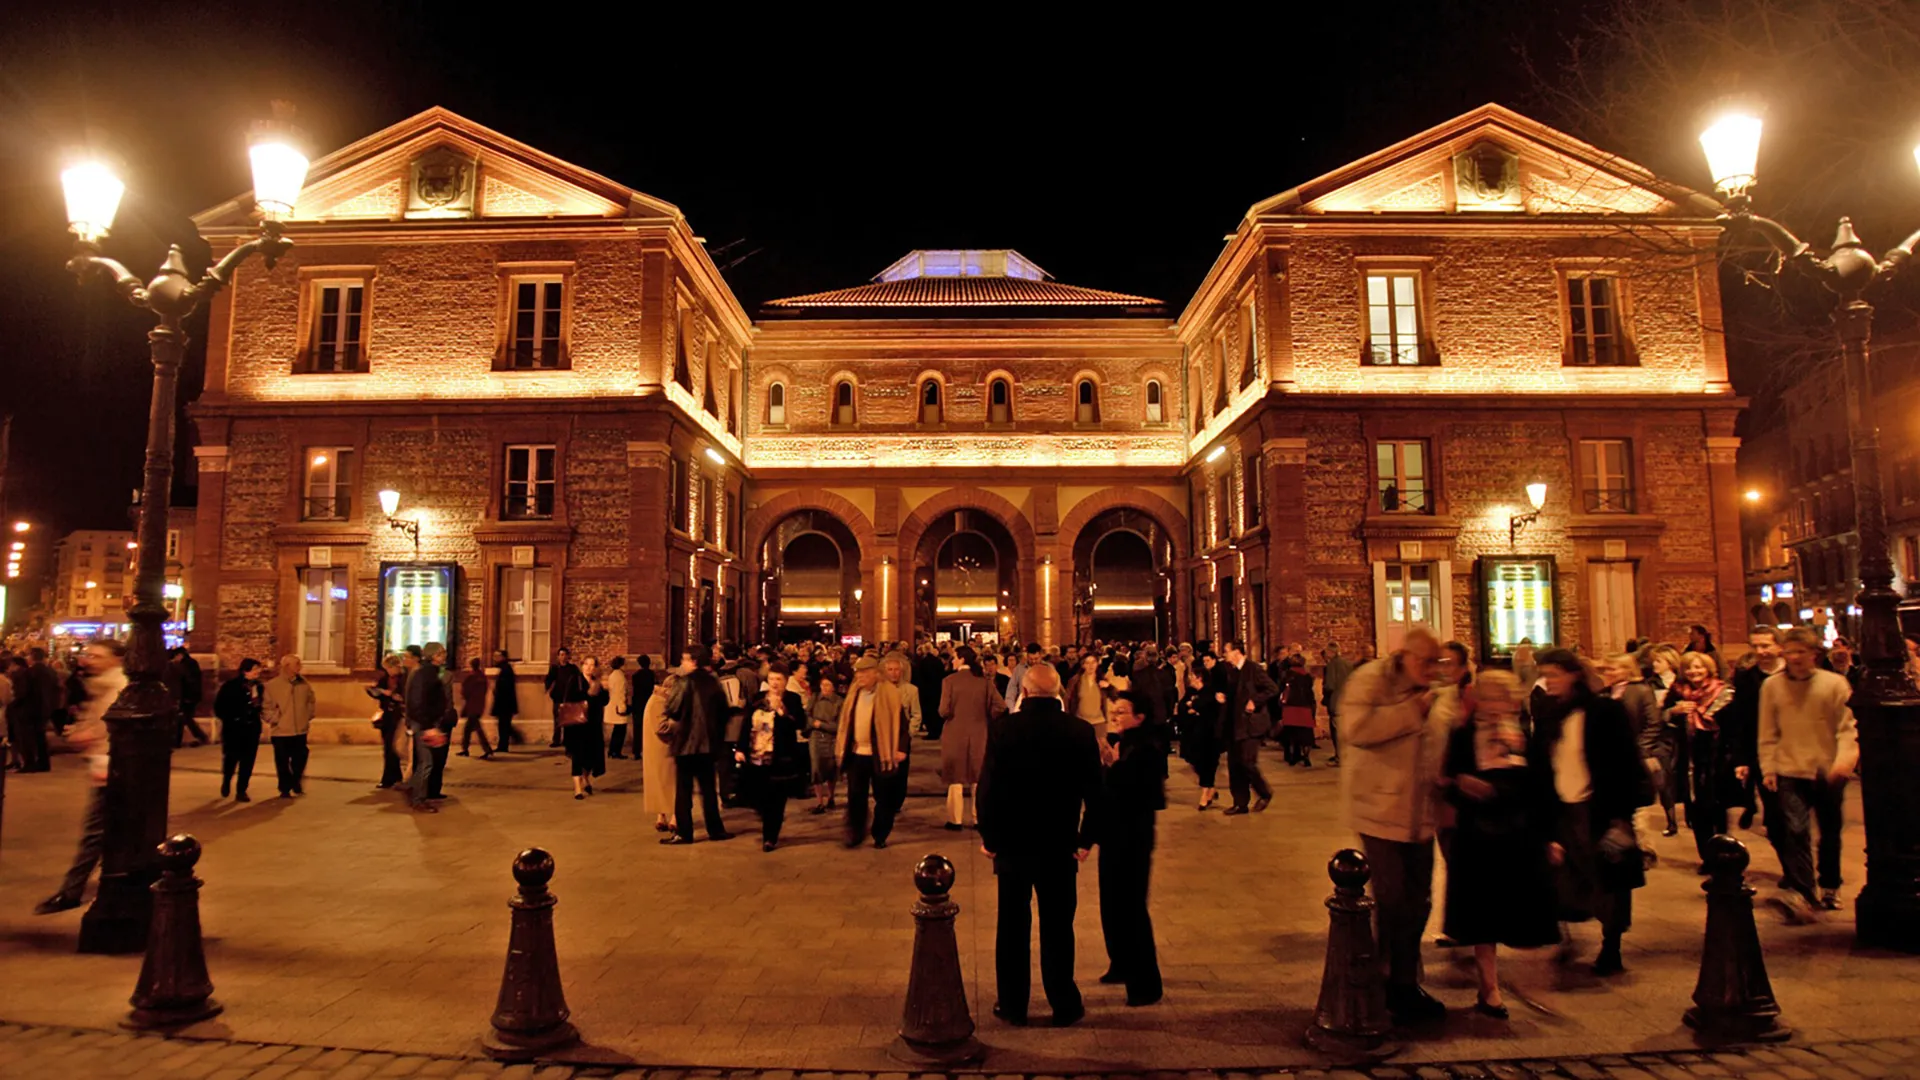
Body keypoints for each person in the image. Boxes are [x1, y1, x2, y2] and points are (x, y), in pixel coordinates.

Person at [977, 661, 1101, 1027]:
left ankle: (1013, 1003)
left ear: (1025, 693)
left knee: (1013, 925)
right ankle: (1063, 1001)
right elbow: (1096, 790)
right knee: (1059, 925)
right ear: (1060, 693)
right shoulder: (1079, 731)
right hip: (1059, 843)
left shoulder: (1004, 729)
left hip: (1014, 843)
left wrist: (990, 836)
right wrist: (1086, 838)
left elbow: (989, 788)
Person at [1337, 627, 1449, 1022]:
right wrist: (1409, 714)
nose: (1432, 669)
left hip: (1420, 814)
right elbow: (1355, 730)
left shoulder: (1436, 692)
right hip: (1379, 812)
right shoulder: (1370, 680)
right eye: (1426, 662)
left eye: (1438, 662)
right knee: (1392, 898)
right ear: (1404, 655)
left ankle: (1404, 980)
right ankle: (1384, 980)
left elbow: (1438, 742)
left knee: (1419, 901)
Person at [1436, 670, 1557, 1018]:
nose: (1492, 706)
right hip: (1478, 834)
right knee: (1482, 916)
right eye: (1486, 698)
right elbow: (1449, 778)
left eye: (1500, 698)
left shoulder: (1526, 736)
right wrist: (1464, 787)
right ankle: (1489, 989)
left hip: (1520, 832)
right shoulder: (1464, 735)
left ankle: (1527, 982)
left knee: (1522, 912)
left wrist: (1551, 835)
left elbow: (1542, 787)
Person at [1529, 649, 1651, 976]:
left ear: (1574, 675)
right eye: (1545, 674)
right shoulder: (1549, 716)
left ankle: (1611, 946)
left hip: (1599, 809)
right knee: (1564, 876)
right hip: (1563, 810)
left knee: (1609, 880)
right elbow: (1542, 767)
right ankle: (1564, 938)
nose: (1549, 681)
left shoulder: (1605, 711)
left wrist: (1622, 816)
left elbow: (1624, 763)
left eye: (1554, 674)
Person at [1758, 627, 1859, 921]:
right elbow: (1767, 731)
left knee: (1829, 831)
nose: (1795, 658)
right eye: (1789, 652)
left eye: (1801, 652)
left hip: (1826, 769)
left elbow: (1847, 727)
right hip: (1790, 767)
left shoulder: (1834, 685)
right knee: (1795, 830)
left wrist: (1844, 762)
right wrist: (1769, 767)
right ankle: (1803, 891)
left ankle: (1830, 884)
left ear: (1814, 654)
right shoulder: (1773, 687)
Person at [33, 641, 128, 914]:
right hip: (105, 766)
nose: (89, 660)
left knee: (95, 834)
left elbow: (110, 729)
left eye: (97, 656)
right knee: (110, 833)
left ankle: (72, 891)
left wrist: (82, 736)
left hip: (109, 769)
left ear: (115, 659)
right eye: (88, 655)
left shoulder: (116, 689)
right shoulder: (102, 687)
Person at [1090, 690, 1166, 1008]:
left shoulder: (1148, 747)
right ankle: (1119, 963)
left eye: (1122, 711)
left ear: (1140, 717)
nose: (1115, 715)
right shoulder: (1120, 742)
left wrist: (1114, 767)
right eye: (1114, 710)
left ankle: (1146, 983)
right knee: (1112, 904)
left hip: (1132, 838)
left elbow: (1146, 795)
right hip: (1113, 835)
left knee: (1132, 908)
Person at [1665, 649, 1739, 866]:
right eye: (1689, 667)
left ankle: (1723, 854)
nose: (1694, 671)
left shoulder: (1723, 692)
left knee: (1718, 807)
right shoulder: (1677, 692)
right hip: (1689, 757)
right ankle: (1706, 856)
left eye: (1698, 667)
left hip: (1717, 756)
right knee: (1695, 808)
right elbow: (1662, 717)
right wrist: (1674, 712)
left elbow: (1733, 726)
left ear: (1708, 669)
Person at [660, 649, 732, 845]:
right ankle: (715, 830)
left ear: (692, 661)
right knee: (708, 789)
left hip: (686, 744)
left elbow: (672, 709)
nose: (682, 663)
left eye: (684, 659)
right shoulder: (713, 682)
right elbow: (724, 712)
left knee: (683, 790)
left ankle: (684, 832)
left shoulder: (683, 682)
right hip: (708, 745)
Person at [837, 655, 909, 848]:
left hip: (881, 754)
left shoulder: (890, 694)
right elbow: (846, 723)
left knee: (884, 797)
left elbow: (902, 725)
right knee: (855, 796)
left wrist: (901, 749)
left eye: (863, 673)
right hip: (857, 753)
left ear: (875, 674)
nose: (859, 677)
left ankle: (880, 834)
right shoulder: (853, 694)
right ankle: (855, 832)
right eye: (858, 673)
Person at [735, 662, 808, 851]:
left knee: (776, 797)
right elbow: (746, 724)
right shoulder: (758, 698)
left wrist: (782, 711)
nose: (774, 683)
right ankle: (766, 815)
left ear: (785, 681)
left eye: (778, 679)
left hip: (780, 757)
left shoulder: (792, 699)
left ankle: (770, 836)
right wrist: (741, 748)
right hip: (756, 755)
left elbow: (800, 723)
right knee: (756, 794)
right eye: (771, 679)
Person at [938, 645, 1006, 830]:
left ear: (961, 659)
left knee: (956, 778)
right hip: (979, 731)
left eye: (954, 657)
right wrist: (986, 716)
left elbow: (943, 710)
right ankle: (979, 818)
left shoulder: (949, 681)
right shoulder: (983, 682)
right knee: (978, 777)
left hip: (955, 733)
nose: (952, 660)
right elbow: (1000, 706)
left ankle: (955, 819)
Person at [1725, 626, 1783, 830]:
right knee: (1774, 809)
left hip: (1793, 749)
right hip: (1760, 749)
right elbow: (1740, 719)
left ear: (1779, 646)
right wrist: (1741, 759)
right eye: (1755, 646)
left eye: (1765, 646)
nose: (1760, 651)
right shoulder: (1747, 678)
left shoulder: (1792, 674)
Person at [1221, 640, 1278, 816]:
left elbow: (1272, 688)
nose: (1225, 655)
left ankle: (1265, 792)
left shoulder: (1253, 669)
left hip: (1251, 725)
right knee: (1235, 765)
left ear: (1237, 652)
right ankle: (1240, 803)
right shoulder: (1231, 672)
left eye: (1227, 651)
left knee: (1247, 762)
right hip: (1235, 724)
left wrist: (1256, 701)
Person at [1639, 644, 1685, 836]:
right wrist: (1669, 711)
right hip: (1662, 736)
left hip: (1683, 734)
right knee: (1664, 778)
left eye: (1659, 660)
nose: (1654, 664)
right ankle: (1671, 820)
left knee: (1681, 776)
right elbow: (1652, 713)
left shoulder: (1683, 682)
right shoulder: (1650, 684)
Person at [401, 646, 447, 812]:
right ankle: (418, 798)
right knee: (426, 763)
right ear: (434, 656)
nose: (444, 657)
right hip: (423, 723)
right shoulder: (426, 673)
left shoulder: (430, 672)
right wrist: (428, 726)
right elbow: (418, 701)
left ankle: (413, 790)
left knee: (425, 761)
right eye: (442, 654)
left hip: (426, 722)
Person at [262, 655, 315, 799]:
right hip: (281, 731)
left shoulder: (304, 684)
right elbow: (266, 706)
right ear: (286, 666)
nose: (300, 667)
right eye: (296, 664)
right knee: (282, 761)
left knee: (301, 757)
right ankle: (284, 788)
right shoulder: (272, 685)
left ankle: (295, 780)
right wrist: (275, 719)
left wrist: (308, 715)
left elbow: (311, 701)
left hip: (300, 729)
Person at [1177, 658, 1227, 810]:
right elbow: (1182, 707)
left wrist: (1194, 706)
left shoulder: (1210, 691)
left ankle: (1205, 793)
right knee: (1195, 761)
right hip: (1192, 734)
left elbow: (1208, 708)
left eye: (1192, 676)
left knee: (1208, 764)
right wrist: (1191, 708)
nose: (1189, 679)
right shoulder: (1191, 692)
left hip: (1208, 735)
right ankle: (1211, 789)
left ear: (1199, 678)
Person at [215, 657, 266, 801]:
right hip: (234, 729)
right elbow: (220, 707)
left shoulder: (259, 686)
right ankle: (226, 781)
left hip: (252, 729)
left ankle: (241, 790)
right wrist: (232, 718)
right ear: (246, 670)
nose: (258, 672)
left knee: (248, 761)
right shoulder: (231, 686)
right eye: (255, 669)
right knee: (231, 758)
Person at [641, 674, 679, 833]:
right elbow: (661, 727)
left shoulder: (657, 699)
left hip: (657, 749)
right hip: (663, 749)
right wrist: (680, 724)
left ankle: (661, 816)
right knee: (671, 784)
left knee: (660, 784)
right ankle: (674, 817)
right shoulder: (659, 701)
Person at [807, 670, 843, 815]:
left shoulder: (839, 702)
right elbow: (807, 716)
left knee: (830, 769)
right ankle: (819, 801)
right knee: (816, 769)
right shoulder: (815, 698)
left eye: (828, 685)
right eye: (823, 685)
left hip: (831, 739)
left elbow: (839, 725)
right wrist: (814, 724)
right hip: (816, 738)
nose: (825, 688)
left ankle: (831, 797)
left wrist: (820, 724)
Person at [370, 654, 407, 788]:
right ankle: (392, 777)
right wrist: (377, 691)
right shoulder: (384, 679)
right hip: (386, 715)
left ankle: (391, 778)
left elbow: (406, 696)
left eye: (389, 668)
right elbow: (377, 691)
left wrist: (395, 696)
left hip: (398, 716)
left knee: (394, 748)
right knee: (387, 748)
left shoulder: (404, 679)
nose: (388, 671)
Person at [1277, 654, 1318, 767]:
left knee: (1291, 733)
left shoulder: (1287, 675)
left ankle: (1292, 757)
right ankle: (1306, 756)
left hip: (1290, 707)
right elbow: (1310, 693)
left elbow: (1280, 690)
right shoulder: (1308, 677)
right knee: (1305, 733)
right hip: (1305, 707)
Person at [1322, 641, 1354, 767]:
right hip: (1347, 701)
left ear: (1331, 652)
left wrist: (1324, 689)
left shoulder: (1331, 665)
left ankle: (1339, 757)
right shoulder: (1348, 664)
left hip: (1336, 702)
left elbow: (1330, 685)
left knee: (1336, 732)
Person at [168, 647, 208, 747]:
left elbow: (186, 682)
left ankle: (200, 736)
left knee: (184, 717)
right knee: (183, 718)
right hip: (191, 695)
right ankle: (178, 741)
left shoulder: (184, 665)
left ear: (180, 655)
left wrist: (185, 697)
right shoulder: (190, 663)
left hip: (188, 696)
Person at [457, 657, 494, 759]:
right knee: (468, 729)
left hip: (472, 706)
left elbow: (465, 691)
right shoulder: (482, 677)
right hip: (479, 705)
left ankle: (486, 749)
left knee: (477, 729)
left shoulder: (471, 677)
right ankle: (465, 749)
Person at [544, 646, 581, 747]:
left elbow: (579, 681)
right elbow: (549, 680)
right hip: (558, 698)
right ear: (558, 657)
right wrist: (548, 689)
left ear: (568, 656)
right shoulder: (555, 668)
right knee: (557, 720)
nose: (563, 657)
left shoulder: (573, 669)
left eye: (565, 655)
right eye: (561, 655)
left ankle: (567, 740)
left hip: (570, 698)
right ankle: (556, 740)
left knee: (568, 721)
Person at [490, 649, 521, 751]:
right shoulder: (504, 668)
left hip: (504, 704)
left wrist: (497, 692)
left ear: (503, 657)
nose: (495, 658)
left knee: (503, 725)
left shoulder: (506, 669)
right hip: (504, 703)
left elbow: (505, 688)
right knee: (504, 724)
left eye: (497, 656)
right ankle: (505, 743)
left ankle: (503, 745)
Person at [1065, 652, 1106, 727]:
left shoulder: (1102, 679)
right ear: (1083, 665)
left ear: (1097, 663)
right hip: (1081, 721)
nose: (1091, 666)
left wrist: (1109, 687)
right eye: (1087, 663)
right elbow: (1067, 699)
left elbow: (1114, 696)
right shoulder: (1076, 680)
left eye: (1093, 662)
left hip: (1099, 721)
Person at [605, 655, 631, 759]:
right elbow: (621, 693)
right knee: (620, 731)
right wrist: (623, 706)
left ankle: (612, 751)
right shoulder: (620, 677)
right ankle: (616, 751)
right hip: (619, 706)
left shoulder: (612, 675)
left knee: (617, 730)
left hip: (613, 705)